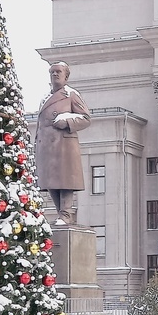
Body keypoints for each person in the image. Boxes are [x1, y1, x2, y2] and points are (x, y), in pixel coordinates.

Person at [34, 61, 92, 226]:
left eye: (59, 72)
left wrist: (66, 121)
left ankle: (65, 214)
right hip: (47, 147)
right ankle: (62, 213)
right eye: (52, 72)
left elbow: (86, 118)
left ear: (66, 76)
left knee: (65, 180)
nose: (55, 74)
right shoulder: (45, 98)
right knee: (51, 181)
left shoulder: (71, 95)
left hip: (64, 146)